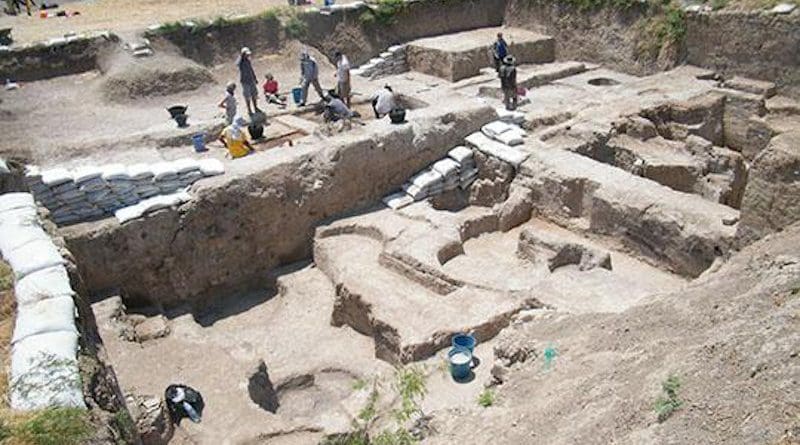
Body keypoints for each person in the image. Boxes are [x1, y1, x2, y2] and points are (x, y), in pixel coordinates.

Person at [237, 47, 260, 115]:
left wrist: (255, 78)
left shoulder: (248, 61)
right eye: (246, 54)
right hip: (245, 81)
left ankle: (255, 107)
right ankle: (249, 109)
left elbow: (251, 70)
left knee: (254, 94)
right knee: (247, 96)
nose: (248, 56)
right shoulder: (241, 62)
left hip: (251, 80)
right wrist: (241, 56)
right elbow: (237, 63)